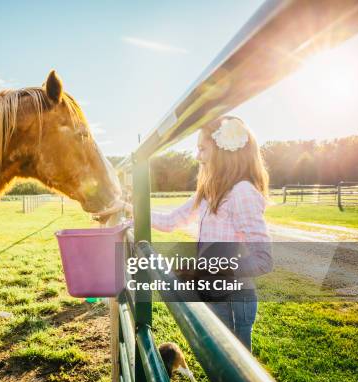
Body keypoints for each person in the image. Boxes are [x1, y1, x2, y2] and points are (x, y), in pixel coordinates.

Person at [98, 116, 272, 351]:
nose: (198, 156)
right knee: (217, 361)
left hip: (233, 299)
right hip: (214, 290)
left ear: (224, 152)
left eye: (202, 149)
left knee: (234, 368)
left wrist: (205, 268)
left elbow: (263, 260)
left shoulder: (243, 192)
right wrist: (127, 208)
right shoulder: (210, 191)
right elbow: (170, 221)